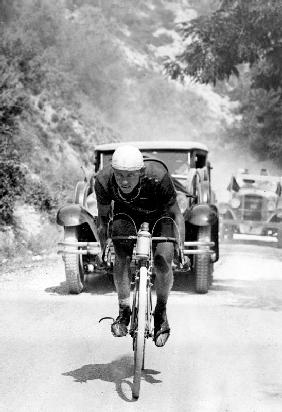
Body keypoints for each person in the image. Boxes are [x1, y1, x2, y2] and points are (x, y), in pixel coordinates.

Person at [94, 144, 185, 347]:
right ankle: (124, 312)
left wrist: (181, 247)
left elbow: (177, 214)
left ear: (141, 172)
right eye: (119, 175)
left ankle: (160, 312)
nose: (124, 181)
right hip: (126, 215)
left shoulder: (158, 176)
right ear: (113, 172)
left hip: (160, 216)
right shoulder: (103, 180)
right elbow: (102, 219)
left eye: (130, 176)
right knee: (121, 254)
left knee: (163, 261)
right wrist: (103, 246)